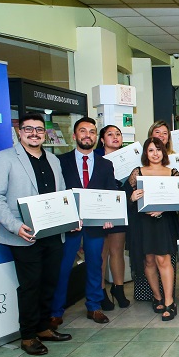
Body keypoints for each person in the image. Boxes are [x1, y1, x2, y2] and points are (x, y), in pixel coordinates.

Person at [0, 113, 72, 355]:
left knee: (49, 282)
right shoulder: (4, 159)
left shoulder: (53, 160)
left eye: (39, 130)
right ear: (19, 132)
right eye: (28, 129)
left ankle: (44, 327)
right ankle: (27, 336)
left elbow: (62, 194)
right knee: (30, 286)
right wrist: (15, 226)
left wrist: (70, 219)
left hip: (54, 233)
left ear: (45, 133)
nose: (34, 133)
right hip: (24, 235)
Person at [51, 116, 116, 326]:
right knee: (62, 267)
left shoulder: (106, 165)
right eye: (83, 131)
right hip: (69, 225)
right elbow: (56, 193)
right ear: (74, 135)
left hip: (95, 224)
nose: (87, 135)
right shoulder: (60, 162)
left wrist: (109, 217)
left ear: (96, 137)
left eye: (91, 132)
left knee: (95, 265)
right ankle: (56, 311)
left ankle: (94, 306)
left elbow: (111, 193)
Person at [128, 137, 179, 321]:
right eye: (151, 150)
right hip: (143, 223)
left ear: (164, 152)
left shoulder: (173, 173)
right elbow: (127, 198)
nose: (155, 153)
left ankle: (169, 301)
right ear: (146, 153)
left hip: (163, 222)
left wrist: (163, 207)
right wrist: (132, 197)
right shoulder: (138, 173)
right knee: (149, 261)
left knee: (164, 260)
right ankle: (157, 296)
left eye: (158, 149)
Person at [97, 124, 131, 310]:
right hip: (101, 209)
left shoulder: (129, 158)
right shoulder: (95, 158)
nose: (115, 137)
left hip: (120, 207)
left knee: (118, 250)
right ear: (102, 139)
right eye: (110, 134)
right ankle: (101, 290)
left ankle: (118, 289)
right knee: (102, 252)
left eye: (118, 134)